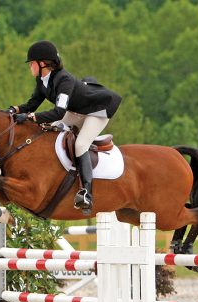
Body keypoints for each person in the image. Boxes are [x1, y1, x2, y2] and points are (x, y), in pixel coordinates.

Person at [9, 40, 122, 211]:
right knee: (49, 132)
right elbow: (32, 104)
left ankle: (86, 193)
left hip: (98, 109)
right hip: (77, 110)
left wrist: (31, 118)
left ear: (42, 63)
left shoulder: (64, 80)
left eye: (31, 63)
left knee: (80, 145)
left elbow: (58, 112)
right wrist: (13, 110)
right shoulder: (42, 80)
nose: (30, 67)